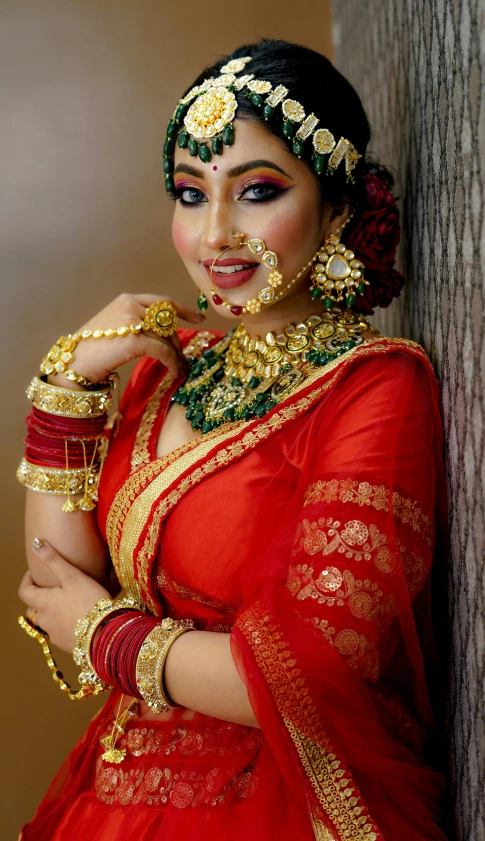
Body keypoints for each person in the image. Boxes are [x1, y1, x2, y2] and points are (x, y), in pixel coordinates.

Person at [17, 39, 448, 841]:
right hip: (112, 797)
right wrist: (64, 390)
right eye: (189, 193)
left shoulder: (373, 386)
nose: (215, 234)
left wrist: (104, 633)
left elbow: (319, 667)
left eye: (255, 191)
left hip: (276, 803)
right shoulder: (172, 367)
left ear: (337, 208)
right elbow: (56, 591)